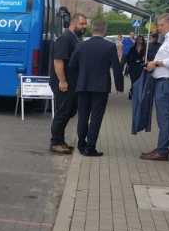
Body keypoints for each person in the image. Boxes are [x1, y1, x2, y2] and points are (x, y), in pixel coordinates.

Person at [68, 19, 125, 157]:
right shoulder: (109, 46)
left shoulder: (80, 45)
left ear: (92, 30)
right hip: (101, 87)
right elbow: (117, 68)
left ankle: (81, 145)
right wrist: (119, 86)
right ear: (105, 31)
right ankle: (90, 147)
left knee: (83, 116)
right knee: (96, 117)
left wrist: (78, 80)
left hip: (82, 86)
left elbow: (72, 65)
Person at [141, 13, 169, 162]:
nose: (158, 28)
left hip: (167, 81)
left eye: (161, 25)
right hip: (167, 80)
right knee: (163, 117)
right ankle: (161, 147)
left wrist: (156, 63)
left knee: (164, 118)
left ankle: (162, 150)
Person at [49, 14, 88, 154]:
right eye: (82, 24)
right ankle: (55, 142)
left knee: (69, 112)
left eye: (85, 24)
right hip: (64, 84)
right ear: (73, 23)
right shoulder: (65, 39)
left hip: (73, 83)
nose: (84, 27)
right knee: (62, 112)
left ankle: (60, 140)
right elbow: (58, 61)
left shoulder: (76, 38)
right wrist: (62, 81)